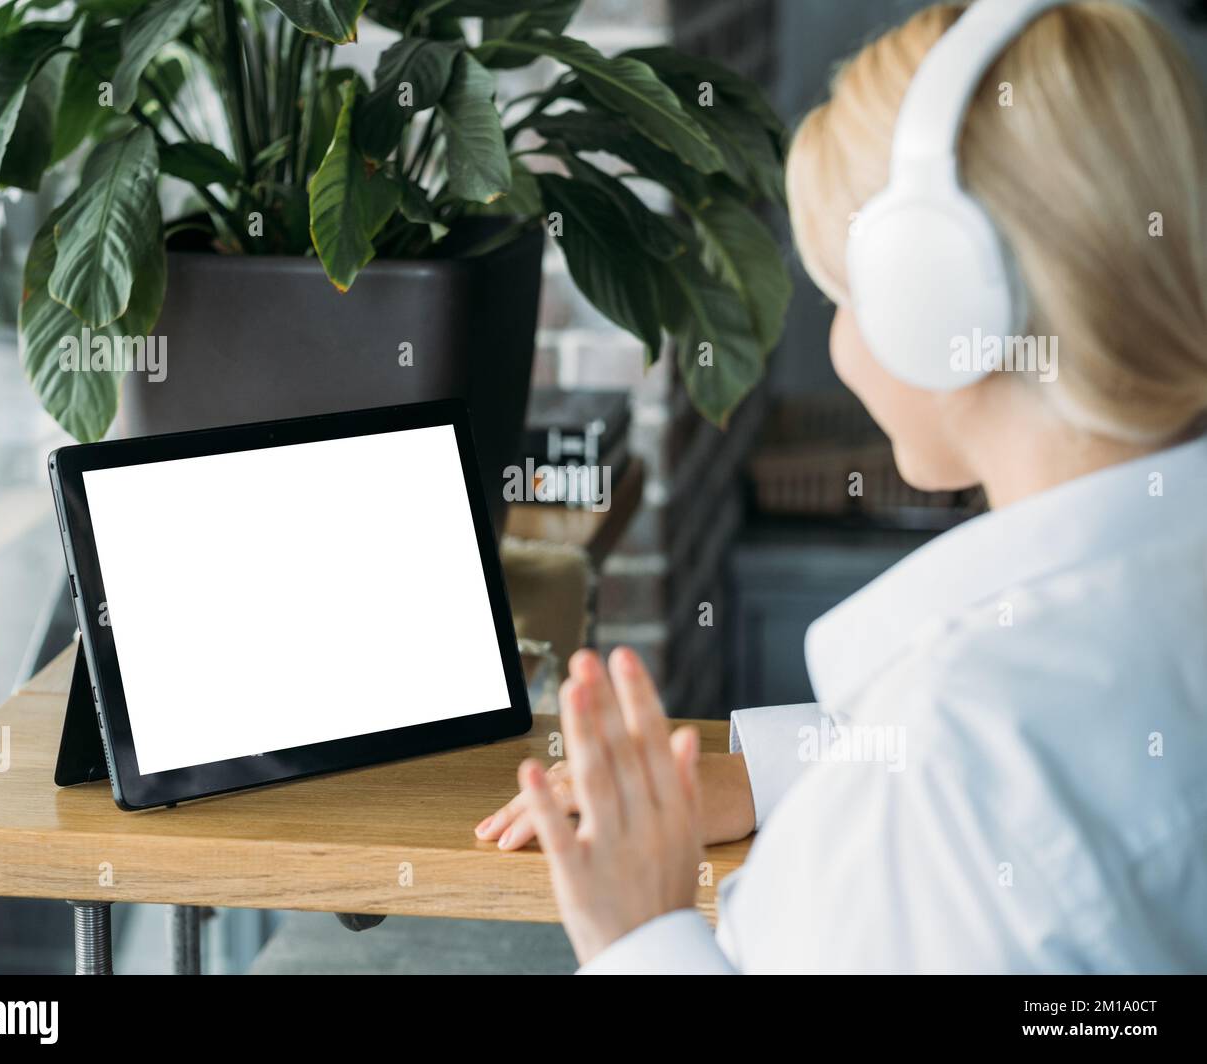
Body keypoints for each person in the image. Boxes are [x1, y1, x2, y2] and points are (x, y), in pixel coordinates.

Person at [475, 0, 1207, 973]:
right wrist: (774, 773)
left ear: (939, 306)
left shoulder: (950, 763)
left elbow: (984, 782)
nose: (837, 337)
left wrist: (637, 932)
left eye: (842, 295)